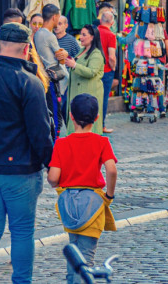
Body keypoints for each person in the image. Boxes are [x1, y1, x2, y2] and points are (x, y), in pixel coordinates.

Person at [0, 23, 54, 283]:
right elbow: (40, 134)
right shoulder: (30, 82)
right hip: (19, 171)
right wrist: (52, 165)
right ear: (27, 49)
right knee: (22, 230)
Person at [46, 94, 117, 284]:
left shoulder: (61, 144)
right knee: (86, 260)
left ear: (70, 116)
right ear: (96, 118)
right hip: (92, 204)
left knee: (73, 254)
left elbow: (53, 178)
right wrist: (109, 195)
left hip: (68, 203)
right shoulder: (102, 142)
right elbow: (111, 170)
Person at [62, 26, 105, 136]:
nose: (81, 37)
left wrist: (74, 65)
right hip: (76, 93)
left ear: (92, 37)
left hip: (88, 95)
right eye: (81, 34)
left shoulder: (96, 54)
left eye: (84, 35)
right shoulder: (82, 50)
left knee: (87, 123)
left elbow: (91, 72)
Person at [34, 4, 69, 134]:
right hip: (54, 78)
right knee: (56, 113)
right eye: (58, 17)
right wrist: (64, 53)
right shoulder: (49, 36)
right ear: (54, 17)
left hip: (46, 76)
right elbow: (61, 58)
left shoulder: (38, 34)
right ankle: (55, 143)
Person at [97, 10, 118, 129]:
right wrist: (113, 67)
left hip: (94, 69)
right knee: (104, 98)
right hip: (106, 70)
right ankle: (102, 125)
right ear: (112, 22)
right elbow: (111, 56)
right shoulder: (111, 35)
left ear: (101, 20)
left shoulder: (94, 32)